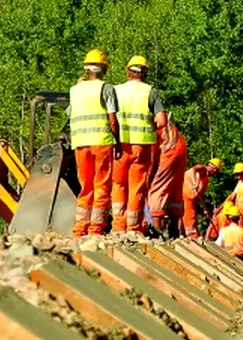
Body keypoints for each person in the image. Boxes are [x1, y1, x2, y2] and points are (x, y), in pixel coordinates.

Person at [111, 55, 168, 234]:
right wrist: (149, 125)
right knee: (136, 186)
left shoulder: (114, 90)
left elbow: (110, 119)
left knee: (118, 185)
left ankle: (118, 226)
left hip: (119, 146)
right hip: (141, 147)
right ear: (145, 73)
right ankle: (134, 228)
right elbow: (162, 121)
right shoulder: (150, 92)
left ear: (127, 71)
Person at [69, 49, 120, 237]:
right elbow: (113, 119)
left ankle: (79, 228)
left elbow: (70, 114)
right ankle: (95, 228)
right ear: (104, 69)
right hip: (102, 143)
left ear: (86, 70)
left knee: (85, 186)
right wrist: (118, 141)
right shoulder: (106, 88)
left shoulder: (74, 90)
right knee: (101, 185)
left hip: (80, 144)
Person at [146, 121, 187, 238]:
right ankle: (174, 230)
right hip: (180, 147)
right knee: (174, 188)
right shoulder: (161, 118)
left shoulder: (148, 124)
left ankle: (156, 230)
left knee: (157, 189)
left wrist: (149, 181)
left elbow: (153, 158)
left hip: (169, 152)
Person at [182, 157, 223, 239]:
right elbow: (193, 169)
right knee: (190, 216)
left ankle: (183, 234)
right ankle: (192, 236)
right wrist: (194, 183)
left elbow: (201, 196)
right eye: (216, 171)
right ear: (214, 168)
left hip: (190, 198)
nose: (215, 174)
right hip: (184, 193)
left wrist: (204, 208)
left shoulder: (206, 180)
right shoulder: (203, 169)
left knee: (187, 216)